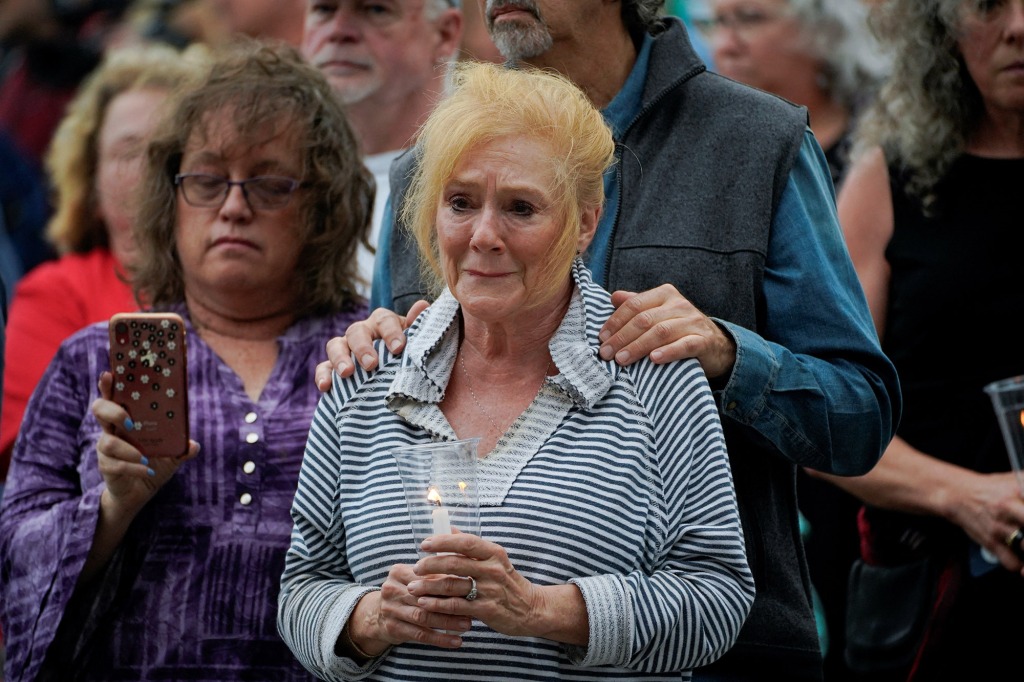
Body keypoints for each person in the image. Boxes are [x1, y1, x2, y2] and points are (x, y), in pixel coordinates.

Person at [320, 1, 902, 679]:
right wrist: (372, 346)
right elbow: (354, 486)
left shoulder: (756, 141)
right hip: (457, 658)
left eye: (517, 208)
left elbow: (859, 418)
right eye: (465, 207)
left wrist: (729, 355)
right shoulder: (434, 163)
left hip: (722, 653)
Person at [278, 59, 754, 681]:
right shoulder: (366, 374)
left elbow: (718, 599)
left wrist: (541, 609)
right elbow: (303, 587)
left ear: (585, 221)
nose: (483, 235)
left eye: (521, 208)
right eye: (460, 202)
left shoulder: (652, 376)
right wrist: (369, 619)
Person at [0, 38, 372, 681]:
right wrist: (112, 506)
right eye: (205, 179)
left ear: (322, 208)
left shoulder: (367, 353)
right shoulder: (89, 361)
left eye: (268, 181)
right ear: (168, 200)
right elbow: (14, 559)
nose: (233, 205)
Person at [809, 0, 1024, 679]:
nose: (1018, 25)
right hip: (937, 599)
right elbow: (824, 419)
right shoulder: (890, 180)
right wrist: (968, 497)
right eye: (989, 4)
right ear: (941, 27)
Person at [699, 1, 890, 674]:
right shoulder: (707, 150)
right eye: (715, 21)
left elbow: (855, 377)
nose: (727, 41)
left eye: (750, 18)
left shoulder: (885, 152)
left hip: (852, 490)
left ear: (825, 30)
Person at [0, 42, 202, 483]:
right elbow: (28, 463)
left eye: (167, 149)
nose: (151, 169)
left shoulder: (241, 283)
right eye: (129, 152)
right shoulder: (55, 293)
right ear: (90, 186)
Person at [301, 0, 462, 298]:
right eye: (324, 9)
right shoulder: (262, 176)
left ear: (444, 34)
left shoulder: (487, 171)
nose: (338, 31)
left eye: (375, 10)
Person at [701, 0, 889, 187]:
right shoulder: (705, 141)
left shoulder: (885, 140)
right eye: (718, 21)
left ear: (822, 27)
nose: (724, 46)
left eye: (750, 18)